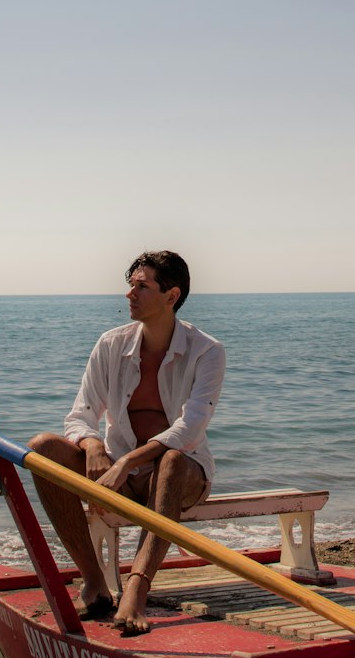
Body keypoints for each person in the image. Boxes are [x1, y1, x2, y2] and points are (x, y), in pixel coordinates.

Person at [29, 250, 225, 635]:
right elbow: (81, 414)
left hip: (181, 476)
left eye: (142, 286)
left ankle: (136, 590)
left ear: (171, 295)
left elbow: (191, 427)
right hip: (119, 473)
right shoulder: (111, 344)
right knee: (43, 448)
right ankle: (95, 583)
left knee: (170, 460)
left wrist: (127, 461)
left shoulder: (207, 351)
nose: (129, 294)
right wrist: (95, 447)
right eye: (130, 285)